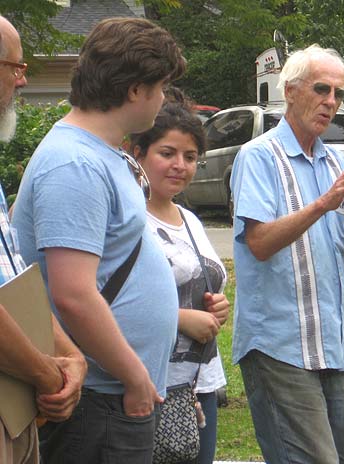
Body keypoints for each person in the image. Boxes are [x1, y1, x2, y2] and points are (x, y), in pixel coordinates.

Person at [12, 18, 186, 463]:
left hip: (112, 394)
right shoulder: (74, 164)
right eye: (161, 87)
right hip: (99, 400)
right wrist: (134, 375)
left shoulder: (101, 154)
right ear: (135, 89)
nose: (163, 98)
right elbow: (73, 295)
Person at [230, 44, 344, 464]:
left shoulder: (333, 163)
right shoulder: (258, 157)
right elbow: (259, 243)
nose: (331, 101)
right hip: (279, 346)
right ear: (290, 91)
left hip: (332, 345)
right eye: (321, 89)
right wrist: (322, 205)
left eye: (339, 94)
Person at [0, 15, 86, 464]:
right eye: (16, 67)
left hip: (16, 405)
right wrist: (49, 375)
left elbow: (14, 282)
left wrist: (72, 357)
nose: (23, 79)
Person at [130, 92, 230, 464]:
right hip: (150, 384)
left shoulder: (190, 219)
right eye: (167, 153)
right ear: (138, 154)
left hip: (199, 383)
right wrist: (178, 318)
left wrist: (218, 307)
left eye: (190, 157)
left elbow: (203, 281)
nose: (180, 165)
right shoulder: (129, 218)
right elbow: (107, 300)